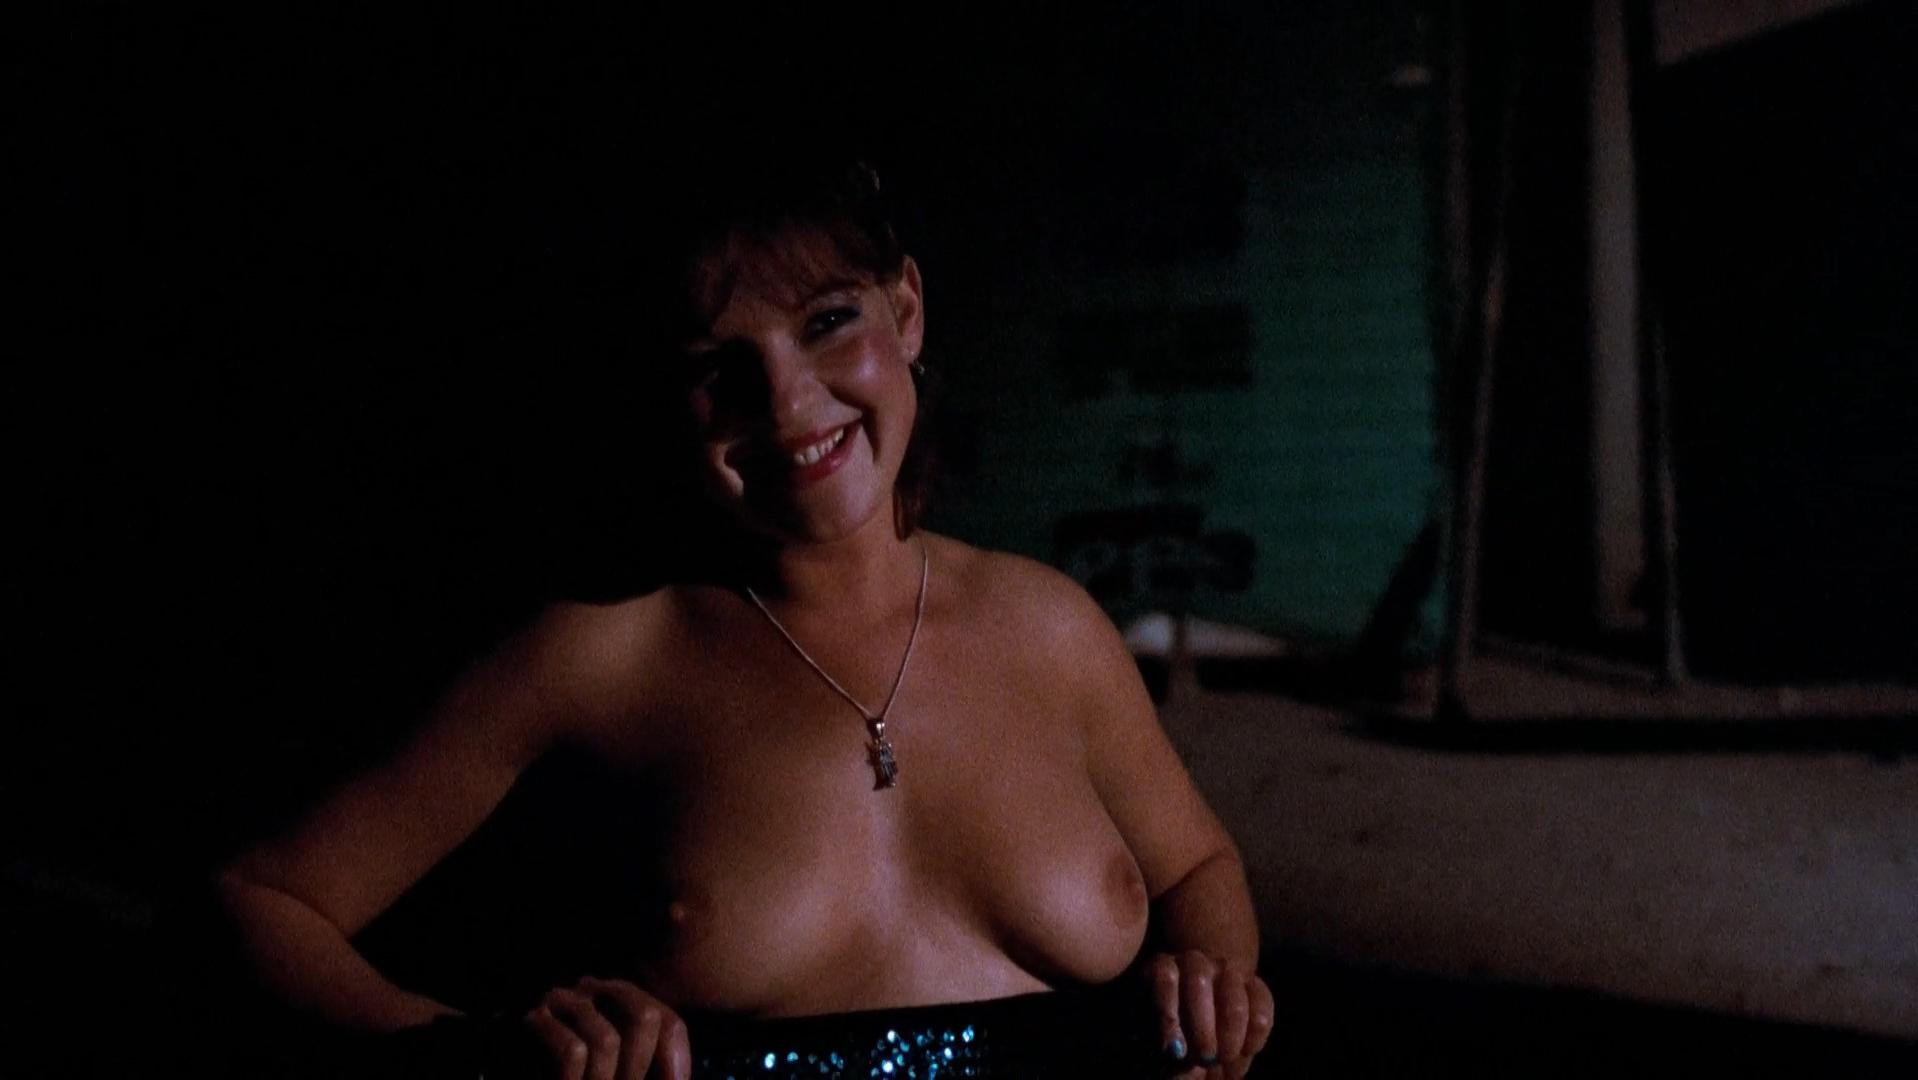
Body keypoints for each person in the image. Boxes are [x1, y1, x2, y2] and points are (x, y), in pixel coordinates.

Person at [215, 147, 1274, 1080]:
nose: (786, 401)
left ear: (906, 309)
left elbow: (1198, 868)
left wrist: (1213, 990)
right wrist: (477, 1055)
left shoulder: (1053, 628)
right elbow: (261, 902)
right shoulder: (605, 656)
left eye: (827, 322)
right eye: (716, 367)